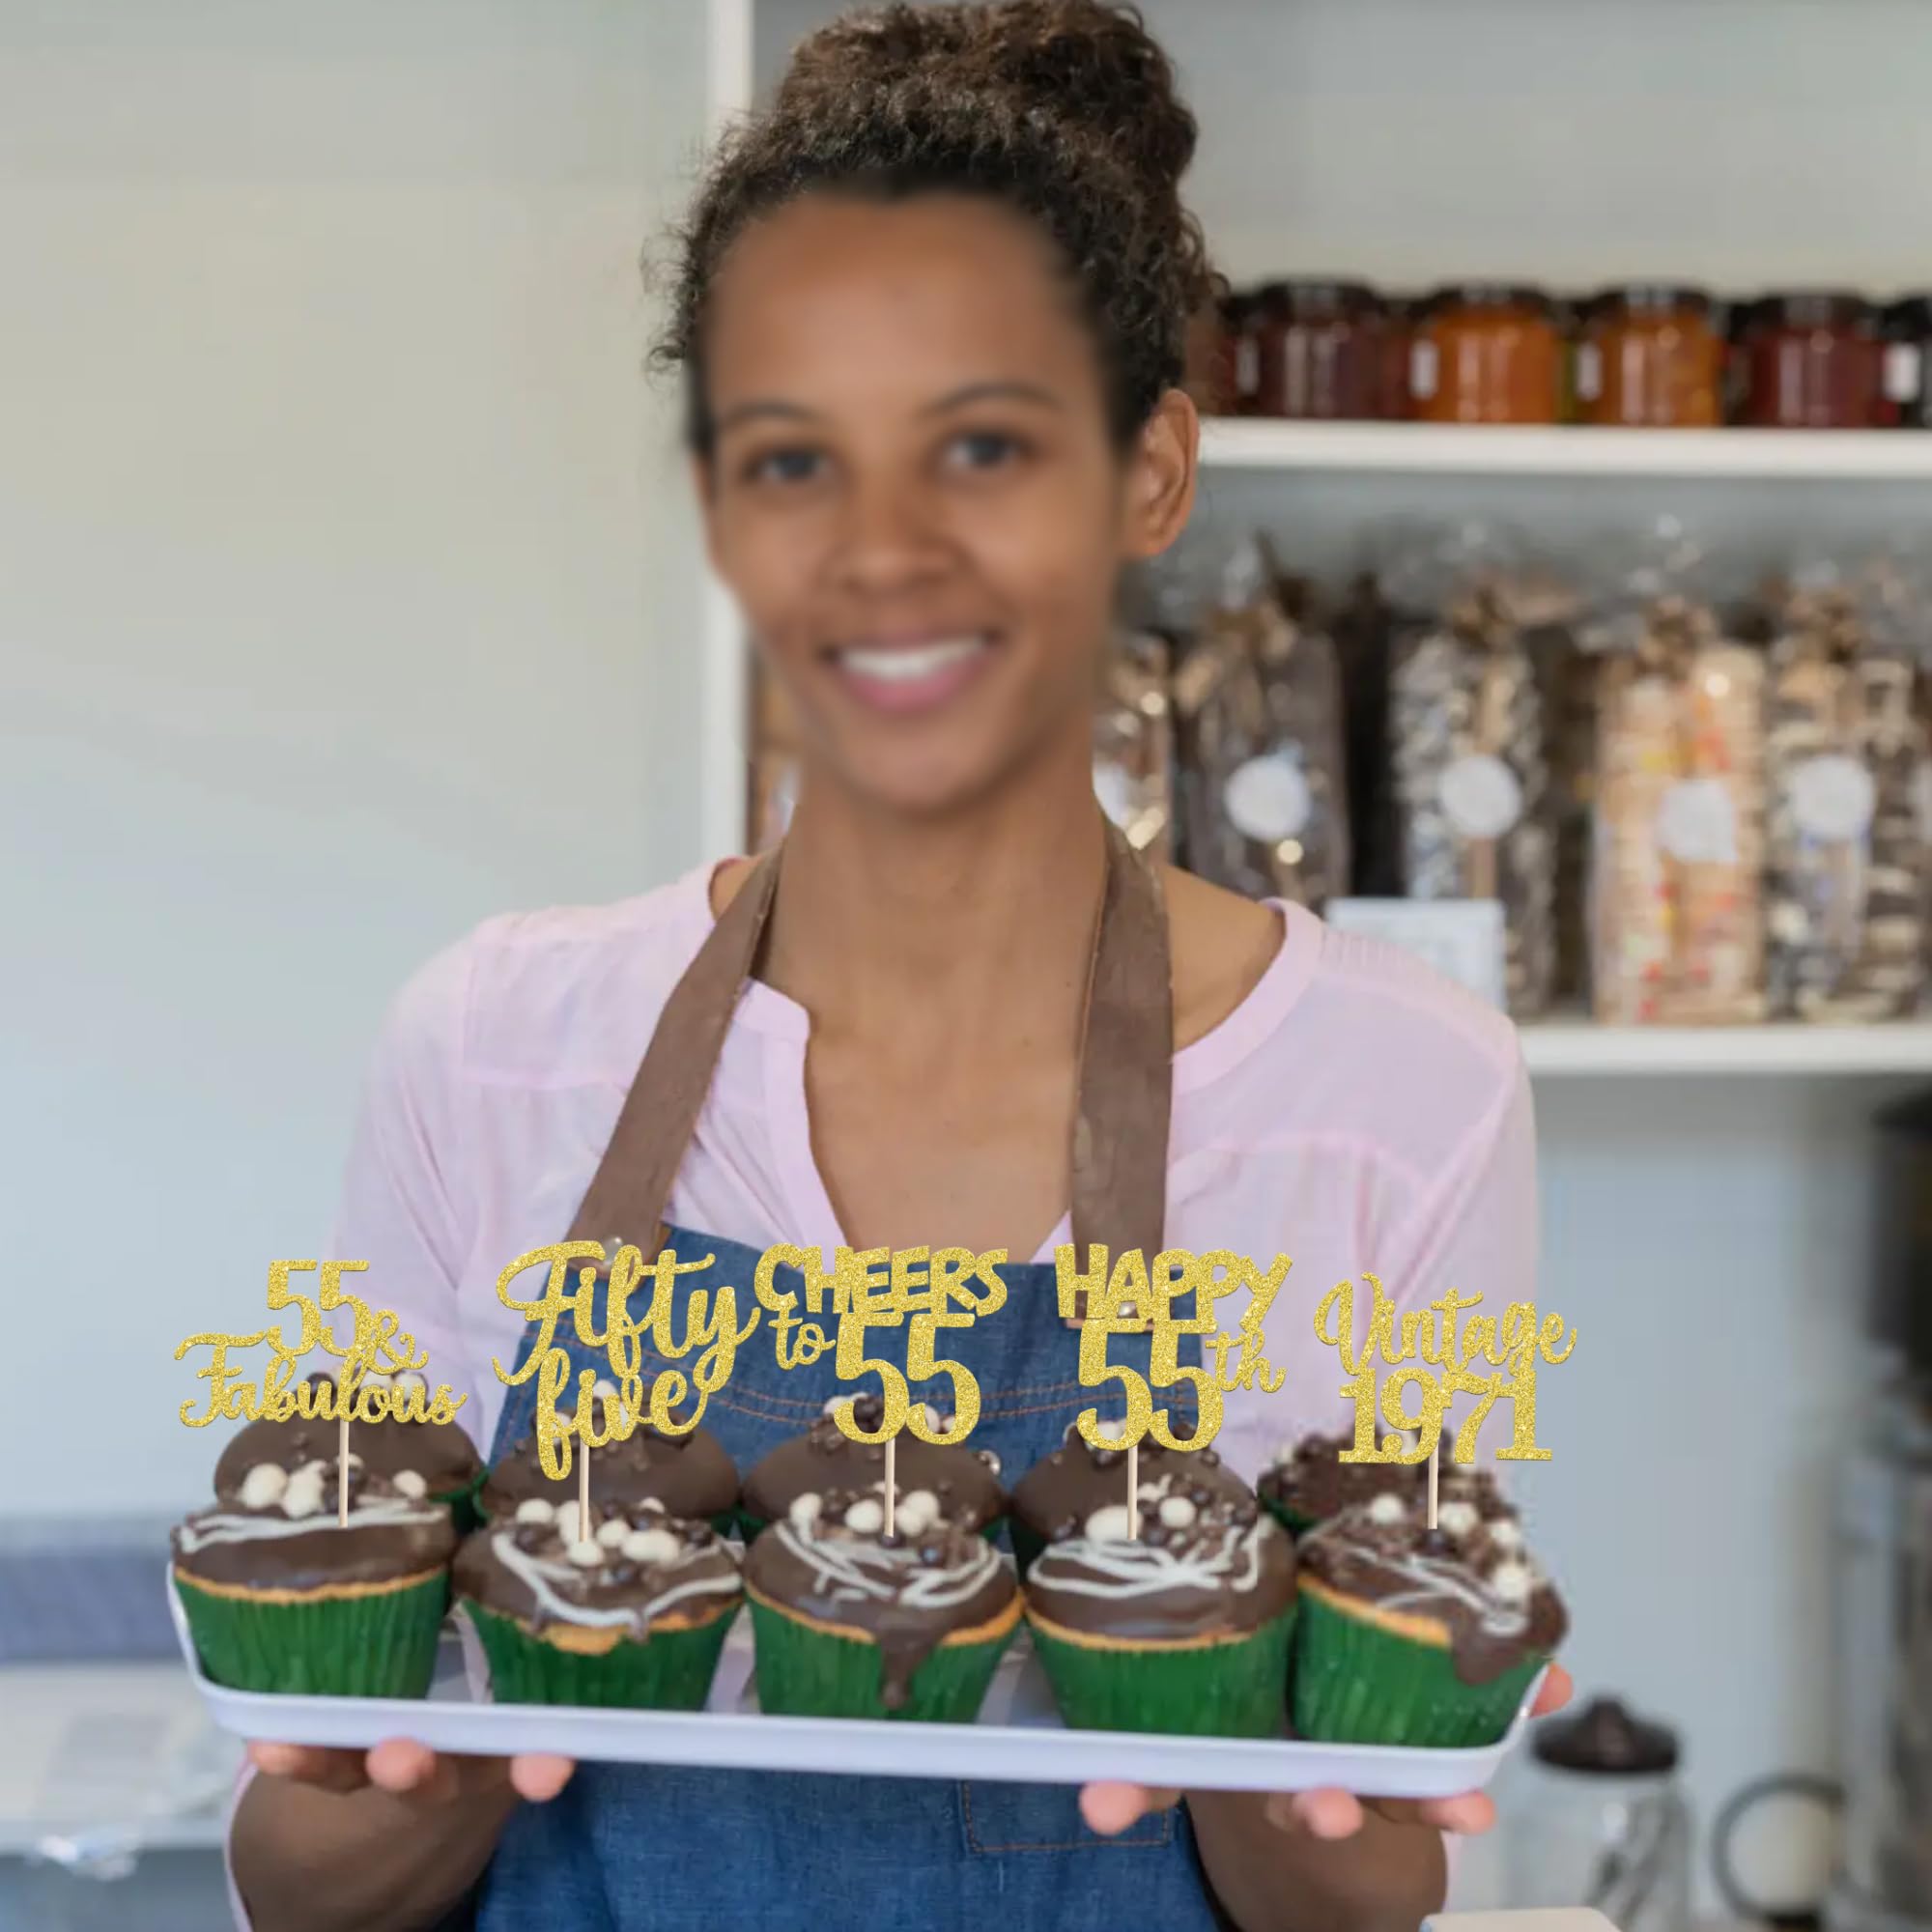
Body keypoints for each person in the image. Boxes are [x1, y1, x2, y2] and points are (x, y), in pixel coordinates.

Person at [227, 4, 1569, 1928]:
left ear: (1150, 475)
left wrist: (1282, 1760)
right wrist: (428, 1756)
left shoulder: (1398, 1092)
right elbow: (299, 1882)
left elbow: (1363, 1898)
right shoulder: (499, 1044)